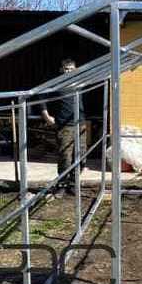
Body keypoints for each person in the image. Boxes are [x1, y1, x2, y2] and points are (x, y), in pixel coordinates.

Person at [40, 58, 86, 198]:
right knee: (65, 157)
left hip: (81, 124)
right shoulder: (57, 84)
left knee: (81, 157)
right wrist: (46, 116)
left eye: (71, 69)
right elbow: (41, 97)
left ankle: (73, 184)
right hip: (65, 126)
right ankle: (61, 185)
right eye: (66, 69)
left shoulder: (80, 83)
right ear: (61, 70)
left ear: (75, 70)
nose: (69, 71)